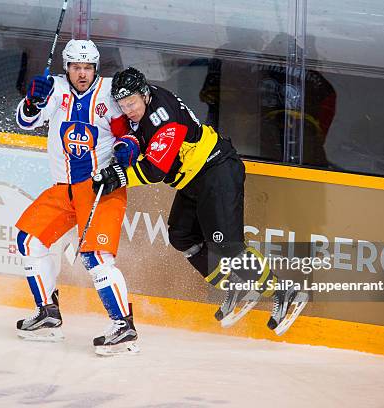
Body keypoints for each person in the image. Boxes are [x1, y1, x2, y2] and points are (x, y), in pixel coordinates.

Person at [93, 67, 308, 335]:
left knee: (229, 247)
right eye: (123, 105)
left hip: (215, 171)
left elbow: (154, 171)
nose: (128, 110)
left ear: (145, 95)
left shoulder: (165, 117)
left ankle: (283, 291)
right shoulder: (144, 107)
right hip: (193, 179)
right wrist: (130, 144)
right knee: (182, 235)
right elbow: (139, 133)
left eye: (132, 103)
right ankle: (236, 284)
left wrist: (118, 176)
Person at [13, 40, 139, 355]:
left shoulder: (110, 94)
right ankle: (47, 312)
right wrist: (31, 101)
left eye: (87, 68)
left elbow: (132, 131)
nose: (82, 74)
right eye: (76, 67)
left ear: (96, 68)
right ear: (66, 67)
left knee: (95, 257)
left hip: (99, 188)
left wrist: (127, 147)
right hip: (62, 188)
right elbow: (26, 121)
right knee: (28, 240)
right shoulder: (54, 89)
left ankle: (123, 325)